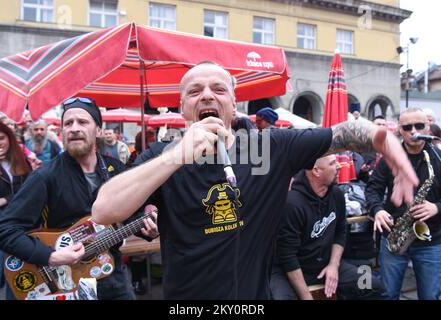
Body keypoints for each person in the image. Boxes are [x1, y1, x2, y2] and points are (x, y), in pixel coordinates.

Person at [92, 61, 417, 299]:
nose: (207, 96)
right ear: (182, 108)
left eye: (218, 89)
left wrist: (386, 142)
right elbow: (105, 210)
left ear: (234, 105)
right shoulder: (161, 156)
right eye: (195, 91)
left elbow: (343, 133)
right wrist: (176, 156)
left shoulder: (268, 147)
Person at [0, 98, 158, 300]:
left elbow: (133, 215)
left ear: (98, 130)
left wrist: (148, 229)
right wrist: (50, 256)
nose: (74, 128)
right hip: (64, 280)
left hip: (111, 274)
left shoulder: (116, 170)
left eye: (82, 122)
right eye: (68, 123)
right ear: (62, 132)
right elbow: (3, 231)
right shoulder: (45, 177)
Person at [270, 155, 383, 300]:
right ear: (316, 171)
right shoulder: (292, 203)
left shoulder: (336, 194)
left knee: (372, 285)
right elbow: (287, 256)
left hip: (326, 264)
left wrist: (334, 265)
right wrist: (306, 297)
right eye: (333, 163)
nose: (339, 166)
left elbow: (341, 231)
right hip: (291, 270)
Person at [366, 107, 441, 300]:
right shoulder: (390, 156)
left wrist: (436, 207)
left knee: (430, 296)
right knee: (387, 294)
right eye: (407, 127)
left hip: (431, 240)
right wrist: (378, 210)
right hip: (394, 236)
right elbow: (372, 189)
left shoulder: (438, 158)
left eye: (419, 125)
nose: (413, 131)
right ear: (400, 129)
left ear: (428, 127)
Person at [0, 121, 32, 300]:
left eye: (0, 138)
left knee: (16, 280)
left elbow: (29, 193)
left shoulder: (21, 162)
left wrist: (3, 200)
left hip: (19, 228)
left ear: (9, 139)